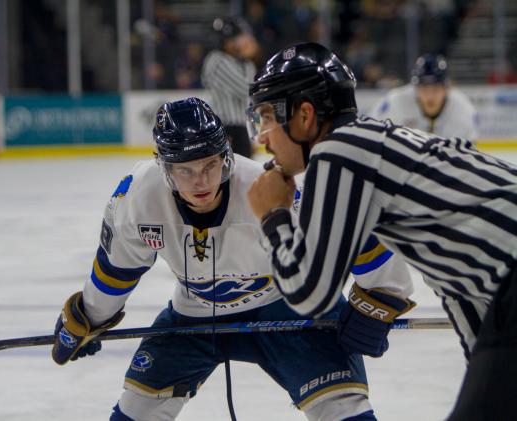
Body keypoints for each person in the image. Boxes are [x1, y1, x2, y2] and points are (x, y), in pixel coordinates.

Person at [51, 97, 413, 420]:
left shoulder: (267, 186)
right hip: (193, 315)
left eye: (210, 165)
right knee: (137, 410)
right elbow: (116, 270)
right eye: (185, 170)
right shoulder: (140, 198)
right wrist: (89, 317)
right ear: (164, 168)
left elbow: (354, 233)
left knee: (344, 409)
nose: (201, 181)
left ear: (225, 155)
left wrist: (380, 298)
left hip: (289, 308)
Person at [247, 42, 517, 421]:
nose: (261, 136)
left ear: (305, 114)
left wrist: (272, 215)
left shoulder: (340, 151)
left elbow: (310, 293)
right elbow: (469, 291)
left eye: (265, 117)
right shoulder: (375, 146)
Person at [369, 53, 478, 140]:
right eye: (424, 88)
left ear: (446, 88)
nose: (430, 96)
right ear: (415, 88)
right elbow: (373, 136)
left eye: (435, 88)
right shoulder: (395, 102)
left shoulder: (462, 109)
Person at [201, 17, 259, 158]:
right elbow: (246, 90)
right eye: (235, 39)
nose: (240, 42)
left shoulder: (246, 64)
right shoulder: (216, 59)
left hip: (242, 129)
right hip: (226, 128)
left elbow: (251, 102)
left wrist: (253, 134)